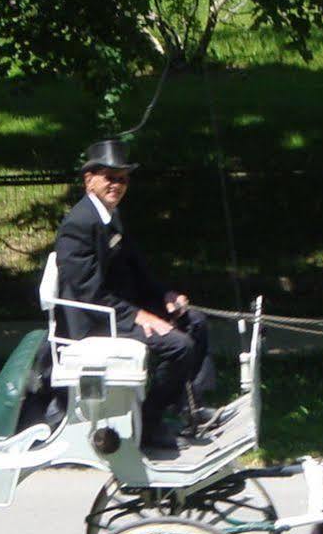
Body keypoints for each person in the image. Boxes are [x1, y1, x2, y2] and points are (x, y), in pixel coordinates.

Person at [53, 139, 212, 455]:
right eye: (109, 177)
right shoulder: (79, 225)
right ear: (90, 180)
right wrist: (140, 316)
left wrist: (164, 296)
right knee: (179, 346)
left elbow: (134, 269)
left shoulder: (110, 215)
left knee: (195, 321)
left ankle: (190, 405)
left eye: (123, 178)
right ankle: (148, 424)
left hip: (117, 308)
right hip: (94, 322)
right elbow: (89, 293)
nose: (117, 185)